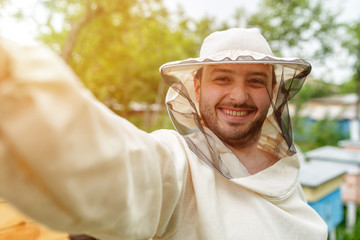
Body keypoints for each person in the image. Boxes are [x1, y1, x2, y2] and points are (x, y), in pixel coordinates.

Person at [0, 28, 327, 239]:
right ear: (196, 88)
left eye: (255, 80)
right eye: (223, 79)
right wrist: (16, 82)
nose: (239, 96)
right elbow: (124, 172)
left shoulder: (285, 170)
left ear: (272, 90)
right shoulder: (179, 164)